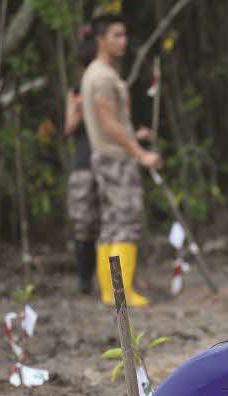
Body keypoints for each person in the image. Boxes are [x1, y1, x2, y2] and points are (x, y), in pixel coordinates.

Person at [81, 14, 161, 307]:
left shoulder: (100, 73)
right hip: (115, 159)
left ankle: (110, 291)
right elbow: (108, 124)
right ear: (101, 40)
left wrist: (134, 134)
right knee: (126, 220)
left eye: (124, 35)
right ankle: (121, 291)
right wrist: (141, 154)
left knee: (112, 223)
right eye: (116, 35)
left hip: (108, 155)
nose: (123, 41)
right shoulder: (101, 75)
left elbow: (115, 122)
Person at [64, 31, 100, 295]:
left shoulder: (110, 84)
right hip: (83, 161)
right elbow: (68, 127)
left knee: (111, 223)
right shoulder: (76, 90)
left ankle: (111, 281)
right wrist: (80, 107)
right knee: (83, 222)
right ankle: (84, 280)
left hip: (108, 160)